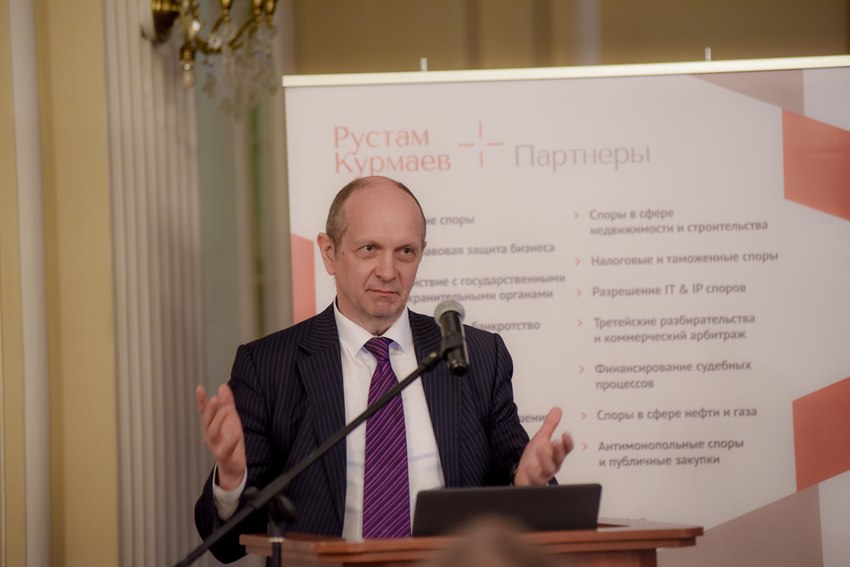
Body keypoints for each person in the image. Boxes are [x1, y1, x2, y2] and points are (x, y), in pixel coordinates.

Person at [194, 176, 573, 563]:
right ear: (329, 252)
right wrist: (231, 479)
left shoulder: (476, 356)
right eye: (369, 249)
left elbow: (517, 496)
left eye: (405, 251)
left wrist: (527, 484)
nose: (388, 271)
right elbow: (224, 544)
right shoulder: (268, 366)